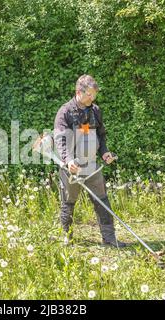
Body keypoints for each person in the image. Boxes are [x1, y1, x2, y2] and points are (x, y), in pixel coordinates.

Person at [53, 74, 129, 248]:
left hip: (92, 166)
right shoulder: (64, 112)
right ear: (78, 92)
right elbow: (60, 140)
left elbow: (101, 135)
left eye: (94, 95)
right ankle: (68, 238)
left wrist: (104, 152)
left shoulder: (95, 110)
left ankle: (109, 239)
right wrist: (68, 160)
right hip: (71, 168)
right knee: (68, 202)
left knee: (102, 200)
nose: (92, 98)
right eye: (89, 95)